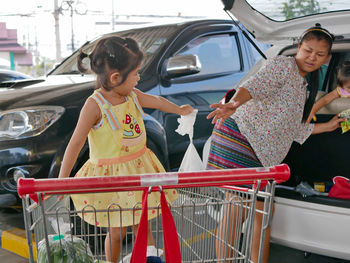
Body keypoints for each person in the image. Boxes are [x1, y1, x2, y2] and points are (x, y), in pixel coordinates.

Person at [206, 24, 344, 263]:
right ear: (298, 48)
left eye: (320, 54)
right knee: (236, 209)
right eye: (308, 50)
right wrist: (234, 103)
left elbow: (291, 128)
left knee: (263, 212)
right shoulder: (283, 66)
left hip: (262, 153)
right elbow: (253, 87)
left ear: (327, 58)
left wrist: (328, 126)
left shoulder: (303, 85)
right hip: (242, 140)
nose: (312, 57)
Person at [57, 36, 194, 262]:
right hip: (112, 179)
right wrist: (62, 180)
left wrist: (179, 110)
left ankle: (149, 257)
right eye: (136, 74)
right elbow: (76, 142)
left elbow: (157, 101)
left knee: (141, 223)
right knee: (117, 230)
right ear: (115, 77)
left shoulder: (131, 95)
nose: (139, 78)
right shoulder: (95, 105)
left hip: (138, 169)